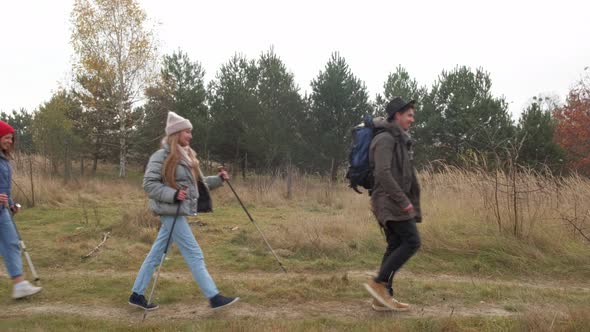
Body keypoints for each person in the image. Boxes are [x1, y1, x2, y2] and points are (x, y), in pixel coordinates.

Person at [129, 112, 239, 311]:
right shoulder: (161, 156)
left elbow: (200, 184)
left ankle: (137, 294)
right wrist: (173, 194)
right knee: (194, 253)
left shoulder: (188, 156)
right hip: (170, 211)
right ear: (176, 133)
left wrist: (220, 179)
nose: (190, 135)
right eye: (187, 131)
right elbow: (149, 184)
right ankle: (214, 297)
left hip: (178, 211)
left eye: (190, 131)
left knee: (156, 254)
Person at [364, 97, 422, 311]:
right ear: (397, 115)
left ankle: (382, 298)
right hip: (388, 202)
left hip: (393, 201)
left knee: (396, 245)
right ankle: (379, 283)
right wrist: (403, 200)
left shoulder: (399, 140)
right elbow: (383, 174)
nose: (412, 119)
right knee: (412, 241)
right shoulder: (386, 140)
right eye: (409, 115)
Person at [0, 120, 42, 299]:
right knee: (10, 244)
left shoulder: (4, 160)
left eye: (11, 138)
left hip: (2, 211)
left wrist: (11, 203)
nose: (9, 141)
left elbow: (4, 188)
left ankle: (19, 285)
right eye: (6, 137)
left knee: (11, 244)